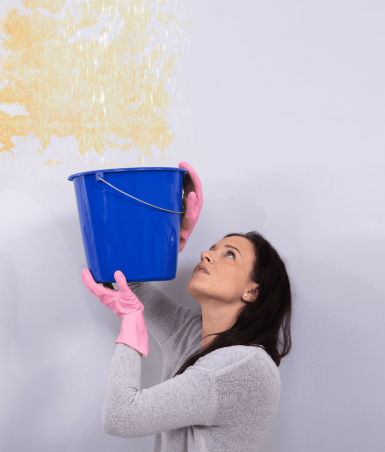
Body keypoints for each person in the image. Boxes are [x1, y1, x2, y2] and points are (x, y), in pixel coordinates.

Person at [82, 164, 292, 451]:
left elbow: (120, 417)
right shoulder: (192, 335)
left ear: (252, 291)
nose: (206, 254)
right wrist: (165, 236)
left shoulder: (243, 367)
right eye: (212, 248)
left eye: (230, 255)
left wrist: (132, 323)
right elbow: (129, 283)